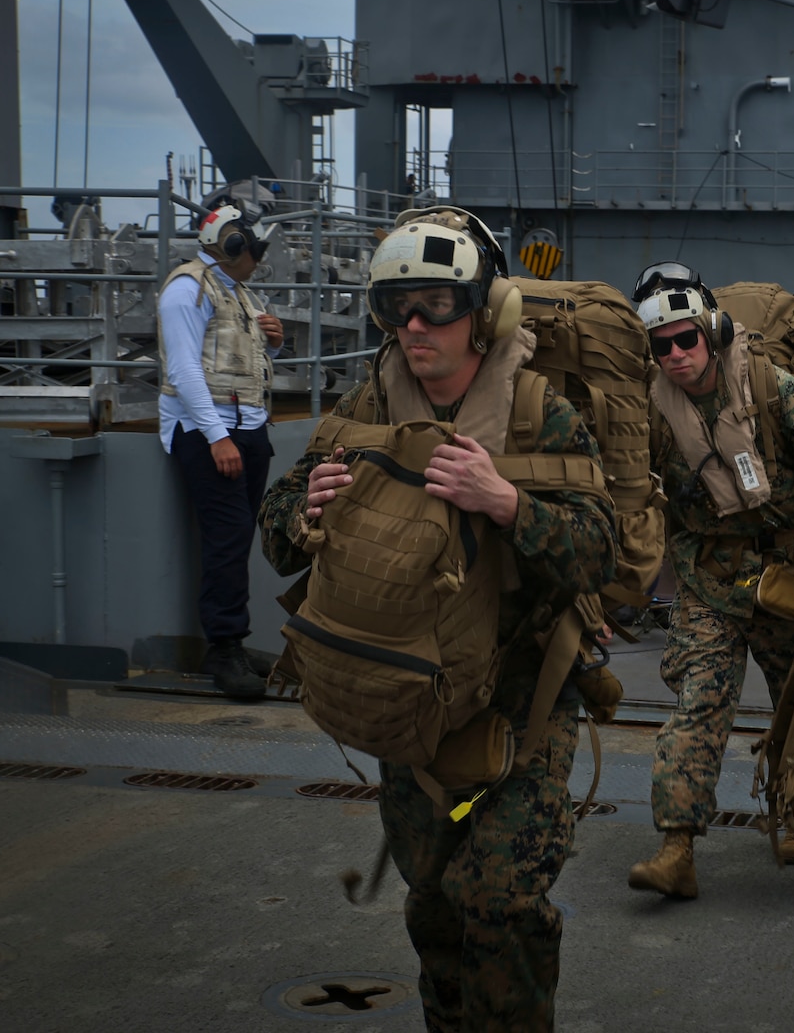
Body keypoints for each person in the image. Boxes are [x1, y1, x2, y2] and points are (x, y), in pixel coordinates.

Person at [257, 210, 617, 1031]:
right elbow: (279, 537)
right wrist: (302, 510)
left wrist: (510, 503)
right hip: (412, 704)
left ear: (484, 314)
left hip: (521, 699)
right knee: (433, 908)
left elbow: (600, 552)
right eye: (394, 310)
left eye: (436, 307)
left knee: (500, 900)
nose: (413, 328)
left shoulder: (537, 413)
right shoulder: (367, 405)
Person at [629, 264, 794, 891]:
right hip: (708, 577)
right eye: (660, 346)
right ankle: (677, 846)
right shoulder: (650, 413)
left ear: (712, 331)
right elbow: (623, 492)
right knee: (699, 704)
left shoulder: (773, 389)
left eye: (685, 339)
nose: (676, 355)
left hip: (788, 578)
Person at [158, 202, 284, 698]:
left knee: (236, 538)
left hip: (247, 427)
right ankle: (224, 647)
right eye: (253, 246)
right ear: (232, 244)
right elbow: (185, 371)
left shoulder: (240, 293)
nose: (257, 255)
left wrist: (273, 342)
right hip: (210, 431)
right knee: (227, 539)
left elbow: (244, 358)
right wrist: (217, 438)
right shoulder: (187, 290)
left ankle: (232, 639)